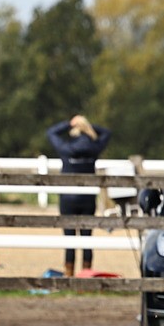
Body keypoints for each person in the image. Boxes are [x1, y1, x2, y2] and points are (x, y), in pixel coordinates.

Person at [46, 115, 112, 277]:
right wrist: (86, 124)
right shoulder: (95, 148)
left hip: (68, 198)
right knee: (87, 238)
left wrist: (69, 123)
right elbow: (107, 132)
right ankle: (86, 275)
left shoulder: (66, 148)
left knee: (69, 238)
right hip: (88, 198)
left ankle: (69, 274)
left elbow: (51, 133)